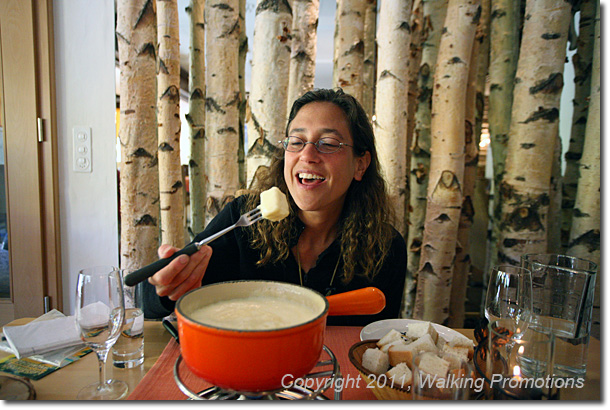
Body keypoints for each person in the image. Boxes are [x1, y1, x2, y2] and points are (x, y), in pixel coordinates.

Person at [143, 88, 407, 326]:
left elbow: (376, 344)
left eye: (327, 143)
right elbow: (147, 305)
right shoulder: (243, 219)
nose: (307, 155)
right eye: (296, 141)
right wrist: (167, 288)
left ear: (360, 164)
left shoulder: (386, 247)